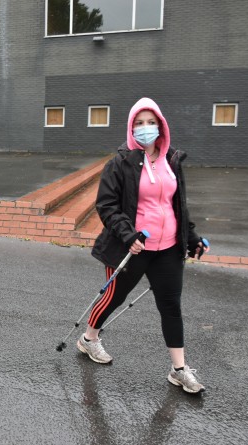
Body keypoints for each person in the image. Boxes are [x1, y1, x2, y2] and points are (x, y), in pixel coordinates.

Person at [77, 97, 209, 394]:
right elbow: (107, 205)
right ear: (131, 128)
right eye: (139, 123)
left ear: (161, 126)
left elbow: (177, 205)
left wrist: (191, 238)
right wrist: (128, 235)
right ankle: (89, 339)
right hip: (132, 247)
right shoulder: (120, 163)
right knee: (114, 297)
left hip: (168, 249)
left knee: (171, 307)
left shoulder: (171, 160)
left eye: (151, 122)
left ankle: (179, 369)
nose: (145, 128)